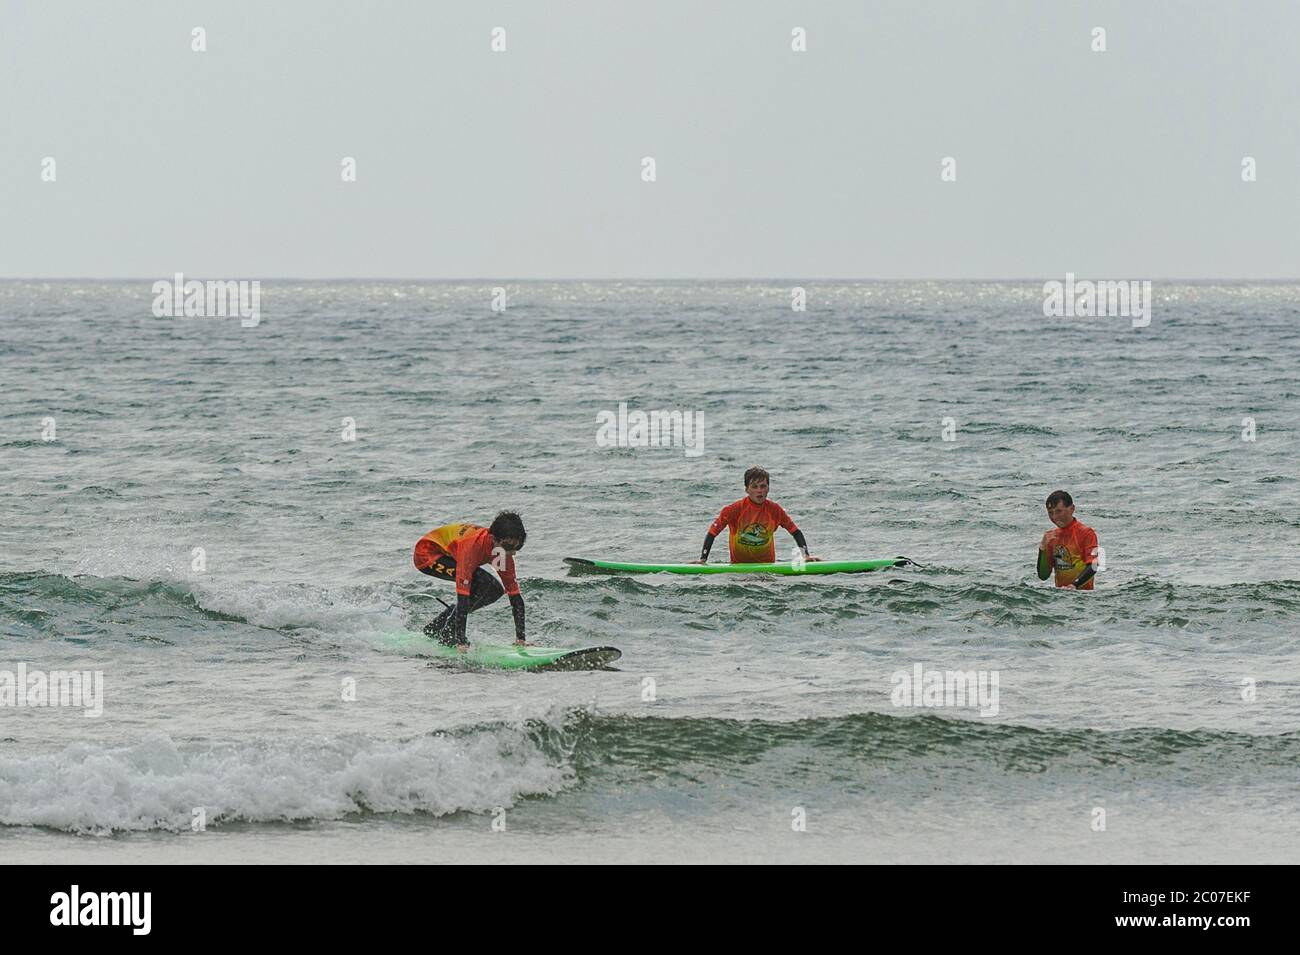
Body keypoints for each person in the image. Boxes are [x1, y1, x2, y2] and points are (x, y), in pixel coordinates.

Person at [413, 512, 528, 650]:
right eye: (508, 547)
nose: (512, 553)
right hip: (427, 555)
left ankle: (436, 628)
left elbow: (515, 596)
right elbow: (463, 597)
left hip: (450, 554)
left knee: (495, 590)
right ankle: (448, 634)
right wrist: (460, 642)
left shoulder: (502, 552)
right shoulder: (472, 548)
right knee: (480, 584)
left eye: (518, 547)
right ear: (493, 538)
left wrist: (521, 639)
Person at [692, 467, 818, 565]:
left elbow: (795, 532)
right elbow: (712, 533)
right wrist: (703, 559)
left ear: (768, 488)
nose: (759, 490)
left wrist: (806, 556)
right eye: (754, 487)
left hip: (767, 569)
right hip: (739, 569)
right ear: (747, 489)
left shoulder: (775, 510)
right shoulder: (734, 510)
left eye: (763, 486)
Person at [1036, 490, 1098, 589]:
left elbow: (1094, 566)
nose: (1054, 517)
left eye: (1058, 511)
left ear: (1072, 509)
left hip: (1084, 597)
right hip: (1061, 597)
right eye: (1050, 513)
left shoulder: (1086, 533)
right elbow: (1043, 576)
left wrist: (1074, 585)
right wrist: (1042, 549)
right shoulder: (1051, 537)